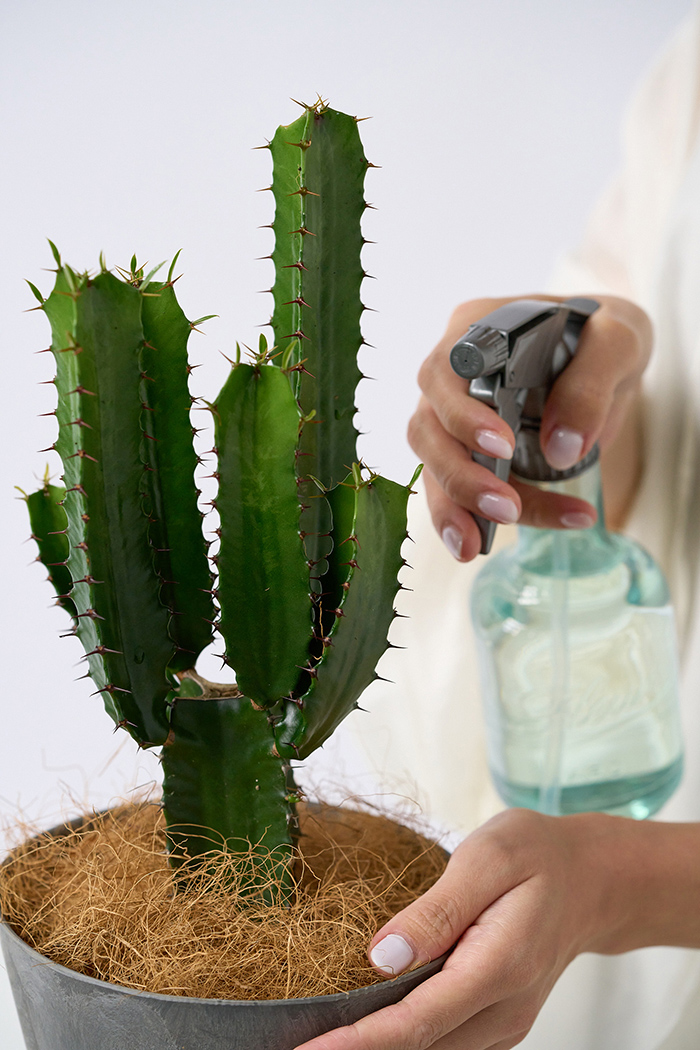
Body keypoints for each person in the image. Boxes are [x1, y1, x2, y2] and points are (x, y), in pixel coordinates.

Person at [294, 6, 700, 1049]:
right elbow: (643, 332)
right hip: (572, 900)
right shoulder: (689, 71)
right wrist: (593, 371)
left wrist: (623, 884)